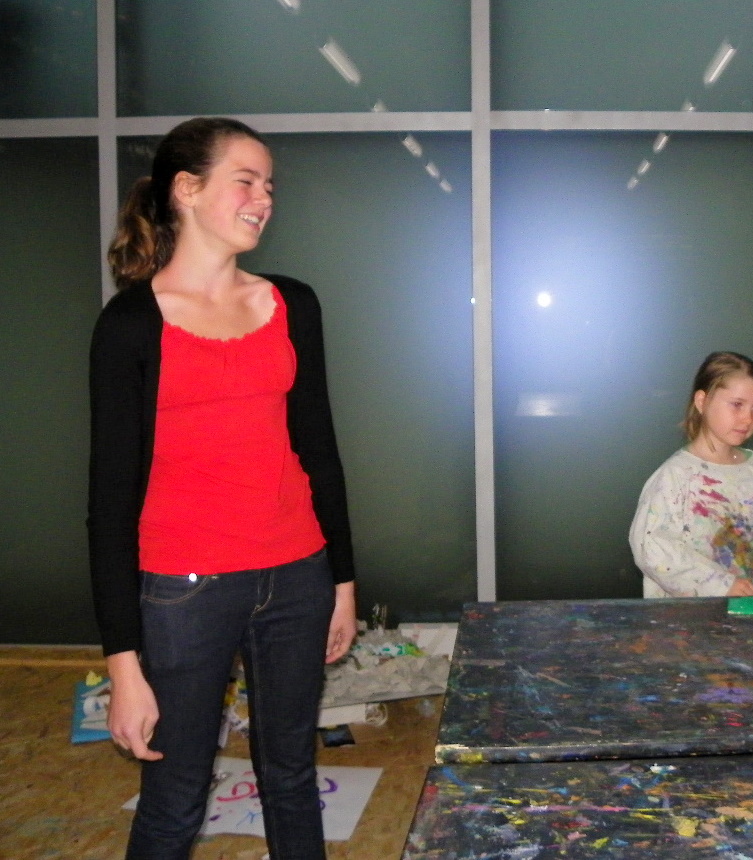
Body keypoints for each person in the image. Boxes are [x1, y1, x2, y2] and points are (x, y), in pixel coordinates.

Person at [88, 117, 357, 859]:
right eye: (246, 181)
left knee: (292, 777)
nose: (264, 198)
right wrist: (122, 665)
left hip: (297, 574)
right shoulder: (131, 324)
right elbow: (108, 503)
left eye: (269, 185)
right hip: (184, 592)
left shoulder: (292, 303)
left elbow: (319, 450)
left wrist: (341, 579)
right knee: (175, 797)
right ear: (187, 189)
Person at [630, 351, 753, 598]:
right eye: (737, 404)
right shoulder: (675, 477)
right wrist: (721, 584)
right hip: (695, 619)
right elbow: (651, 548)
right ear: (702, 401)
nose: (748, 418)